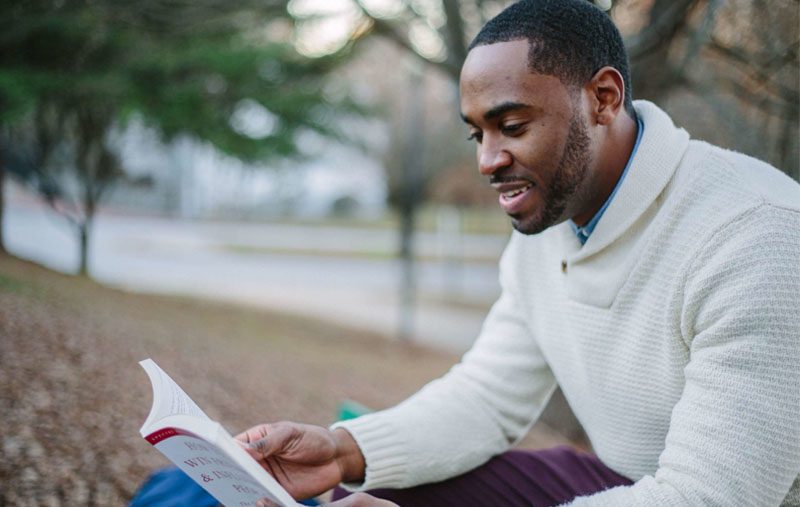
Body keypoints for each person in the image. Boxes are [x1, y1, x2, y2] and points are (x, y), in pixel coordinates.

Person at [237, 1, 800, 505]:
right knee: (378, 487)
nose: (487, 160)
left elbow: (707, 497)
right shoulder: (553, 218)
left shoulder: (757, 238)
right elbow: (487, 398)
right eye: (477, 134)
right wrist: (342, 450)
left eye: (510, 126)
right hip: (623, 481)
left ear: (603, 99)